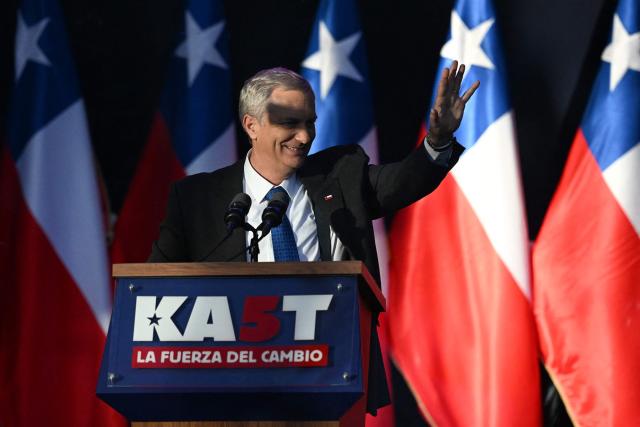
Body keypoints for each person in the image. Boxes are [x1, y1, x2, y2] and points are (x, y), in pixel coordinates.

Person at [149, 62, 479, 414]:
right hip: (226, 389)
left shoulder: (340, 178)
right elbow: (154, 295)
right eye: (290, 123)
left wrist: (438, 141)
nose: (304, 136)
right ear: (252, 125)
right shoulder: (197, 199)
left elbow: (405, 181)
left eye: (310, 123)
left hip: (327, 380)